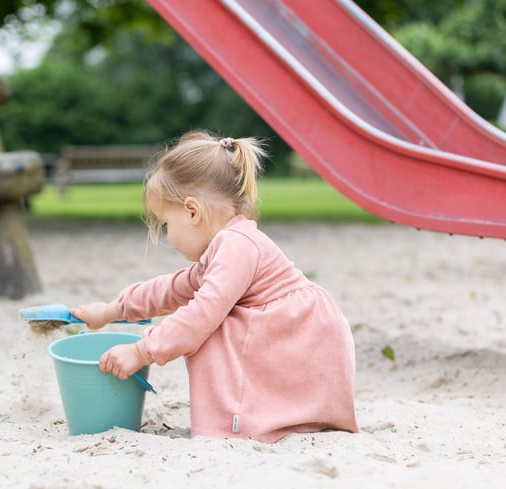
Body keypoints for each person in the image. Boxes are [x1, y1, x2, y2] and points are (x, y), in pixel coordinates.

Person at [71, 130, 358, 443]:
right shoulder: (224, 247)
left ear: (192, 211)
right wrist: (112, 310)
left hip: (298, 335)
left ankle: (239, 424)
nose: (168, 236)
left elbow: (201, 315)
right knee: (204, 317)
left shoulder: (237, 246)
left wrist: (142, 351)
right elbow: (172, 288)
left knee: (208, 327)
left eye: (166, 224)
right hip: (294, 334)